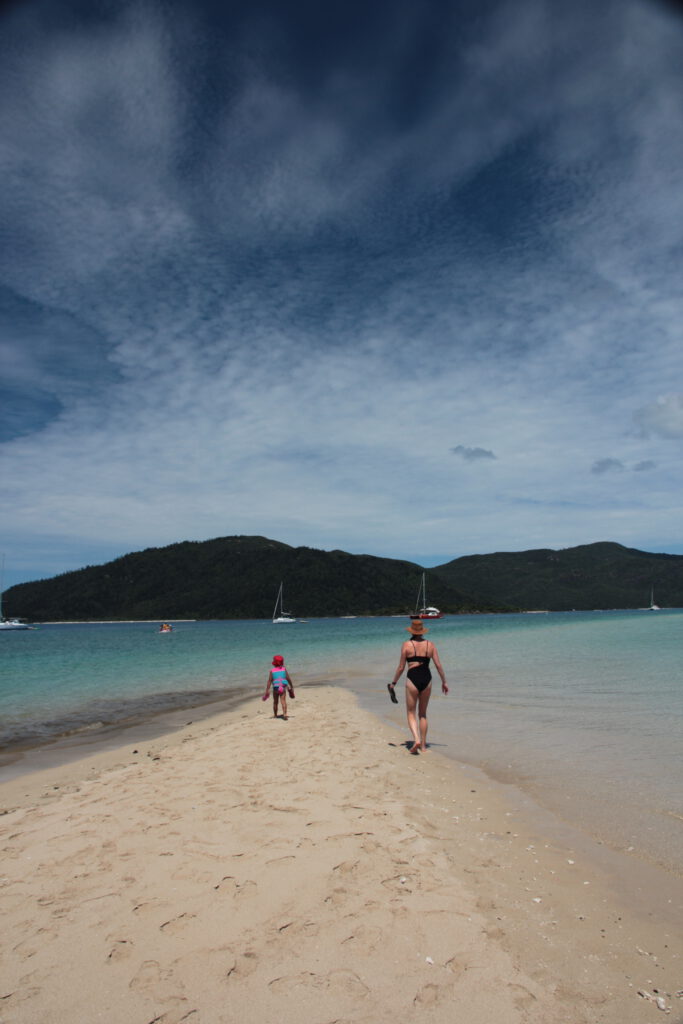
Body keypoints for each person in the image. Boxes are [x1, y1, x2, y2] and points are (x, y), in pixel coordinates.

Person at [388, 619, 448, 753]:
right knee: (423, 714)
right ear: (422, 631)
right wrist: (444, 682)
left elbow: (401, 667)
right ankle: (424, 746)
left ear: (411, 631)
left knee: (411, 713)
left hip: (413, 677)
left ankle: (416, 739)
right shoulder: (430, 645)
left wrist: (393, 683)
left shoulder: (406, 645)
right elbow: (438, 665)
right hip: (427, 678)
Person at [263, 654, 295, 720]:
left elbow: (269, 681)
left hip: (276, 688)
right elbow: (288, 678)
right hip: (282, 688)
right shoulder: (284, 669)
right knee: (283, 701)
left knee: (275, 702)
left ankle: (275, 715)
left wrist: (267, 689)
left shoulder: (272, 671)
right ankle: (285, 714)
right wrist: (291, 686)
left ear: (274, 663)